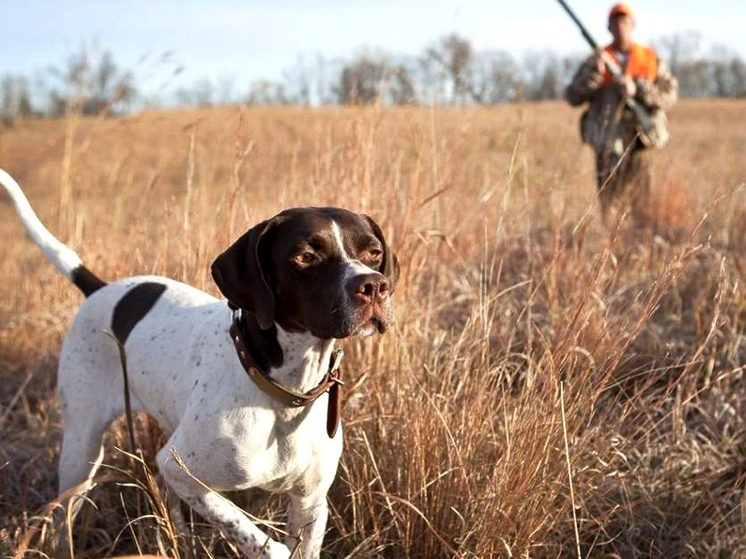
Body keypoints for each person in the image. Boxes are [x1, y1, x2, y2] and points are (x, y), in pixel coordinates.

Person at [565, 3, 678, 223]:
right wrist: (594, 75)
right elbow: (571, 96)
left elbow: (670, 95)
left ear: (633, 25)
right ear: (608, 27)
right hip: (607, 142)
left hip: (643, 140)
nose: (620, 26)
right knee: (609, 205)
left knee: (643, 202)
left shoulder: (649, 58)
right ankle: (610, 244)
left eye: (625, 21)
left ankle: (641, 242)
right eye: (615, 21)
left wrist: (639, 89)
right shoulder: (597, 59)